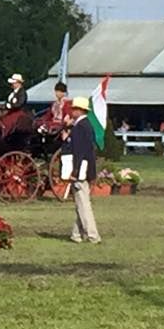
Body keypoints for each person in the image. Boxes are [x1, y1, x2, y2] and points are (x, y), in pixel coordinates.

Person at [66, 96, 100, 244]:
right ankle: (76, 234)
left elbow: (79, 151)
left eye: (74, 108)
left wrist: (75, 171)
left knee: (84, 204)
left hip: (80, 170)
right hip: (87, 168)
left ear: (79, 110)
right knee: (81, 202)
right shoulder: (87, 125)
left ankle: (92, 235)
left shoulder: (79, 127)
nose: (72, 111)